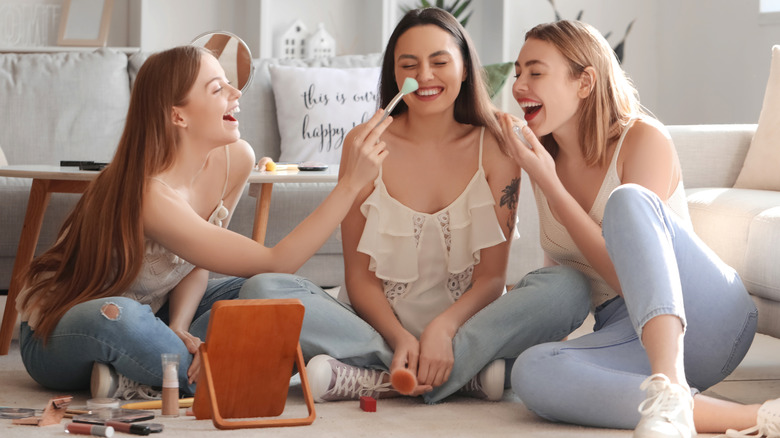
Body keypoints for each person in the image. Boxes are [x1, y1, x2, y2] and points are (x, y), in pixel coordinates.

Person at [246, 7, 590, 405]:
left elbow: (491, 279)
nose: (424, 76)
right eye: (409, 65)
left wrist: (443, 331)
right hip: (376, 328)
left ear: (464, 69)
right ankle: (460, 374)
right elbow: (359, 280)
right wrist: (399, 337)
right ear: (395, 75)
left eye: (440, 62)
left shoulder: (497, 144)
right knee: (261, 288)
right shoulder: (364, 143)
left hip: (465, 327)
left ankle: (380, 377)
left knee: (568, 288)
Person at [16, 45, 387, 400]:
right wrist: (351, 184)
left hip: (159, 317)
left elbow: (199, 261)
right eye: (217, 88)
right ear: (179, 115)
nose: (234, 92)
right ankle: (217, 368)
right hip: (65, 328)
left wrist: (178, 325)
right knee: (121, 317)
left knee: (269, 289)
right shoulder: (149, 195)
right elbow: (278, 257)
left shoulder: (235, 158)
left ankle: (383, 362)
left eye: (228, 82)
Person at [499, 19, 777, 438]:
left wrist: (553, 187)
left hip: (705, 314)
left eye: (536, 72)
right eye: (518, 72)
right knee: (533, 371)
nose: (520, 85)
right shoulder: (543, 159)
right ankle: (753, 417)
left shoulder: (642, 140)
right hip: (623, 331)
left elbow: (634, 276)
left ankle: (671, 383)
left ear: (585, 82)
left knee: (627, 200)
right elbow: (563, 282)